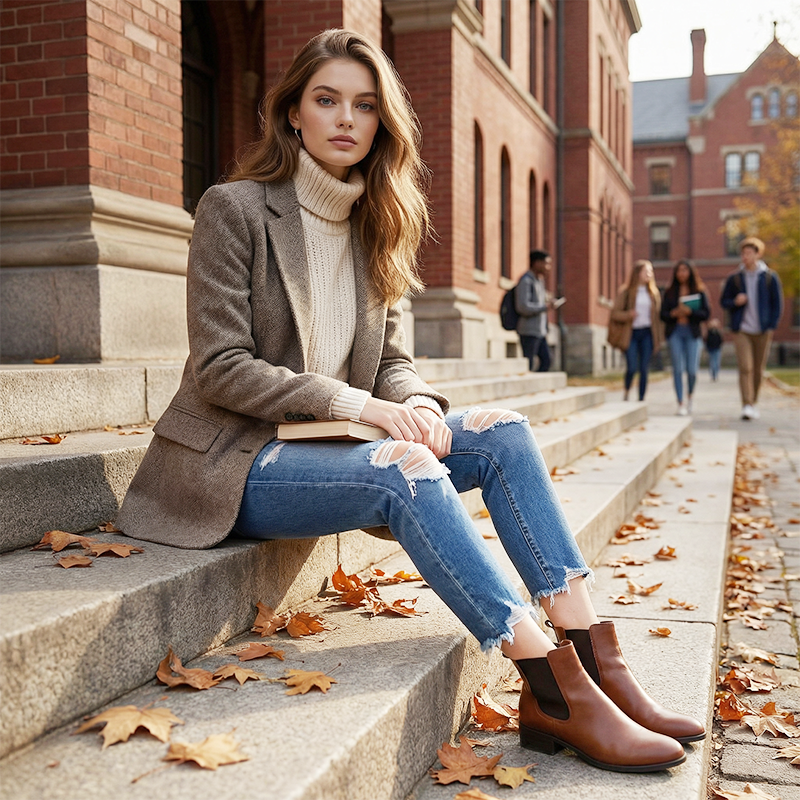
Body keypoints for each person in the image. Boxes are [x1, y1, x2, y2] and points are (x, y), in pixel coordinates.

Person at [116, 29, 702, 773]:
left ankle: (596, 659)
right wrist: (365, 408)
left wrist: (417, 400)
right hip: (238, 459)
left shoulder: (379, 221)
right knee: (403, 468)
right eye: (325, 100)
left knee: (503, 430)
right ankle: (551, 688)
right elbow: (222, 367)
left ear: (381, 123)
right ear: (292, 112)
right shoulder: (234, 210)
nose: (344, 119)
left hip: (327, 446)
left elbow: (394, 361)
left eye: (363, 105)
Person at [720, 237, 784, 420]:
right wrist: (735, 302)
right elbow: (724, 301)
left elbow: (777, 304)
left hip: (763, 330)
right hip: (742, 329)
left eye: (749, 253)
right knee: (745, 367)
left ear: (758, 254)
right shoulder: (735, 279)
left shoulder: (770, 277)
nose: (745, 256)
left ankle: (754, 402)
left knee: (758, 369)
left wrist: (771, 325)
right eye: (743, 253)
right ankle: (746, 404)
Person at [660, 260, 710, 416]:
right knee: (678, 368)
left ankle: (690, 397)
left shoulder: (699, 291)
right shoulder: (669, 292)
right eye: (679, 270)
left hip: (692, 333)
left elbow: (706, 313)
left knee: (692, 369)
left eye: (685, 270)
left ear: (690, 272)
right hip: (675, 332)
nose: (682, 273)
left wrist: (690, 313)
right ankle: (680, 402)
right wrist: (673, 314)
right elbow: (662, 314)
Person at [608, 260, 663, 402]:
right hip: (631, 333)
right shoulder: (626, 292)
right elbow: (614, 314)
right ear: (638, 273)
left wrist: (659, 338)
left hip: (647, 334)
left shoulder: (654, 294)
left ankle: (641, 398)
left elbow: (658, 320)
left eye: (651, 271)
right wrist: (628, 315)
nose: (649, 274)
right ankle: (626, 391)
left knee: (644, 368)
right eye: (646, 271)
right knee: (632, 366)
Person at [515, 250, 561, 372]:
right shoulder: (526, 281)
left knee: (547, 360)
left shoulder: (539, 281)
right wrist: (545, 307)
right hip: (529, 330)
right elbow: (523, 307)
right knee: (528, 363)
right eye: (546, 263)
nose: (548, 267)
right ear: (537, 263)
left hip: (540, 330)